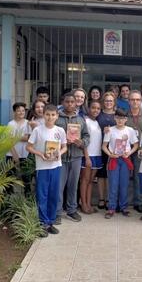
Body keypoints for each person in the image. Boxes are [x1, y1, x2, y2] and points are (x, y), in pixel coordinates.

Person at [26, 104, 67, 236]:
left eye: (53, 115)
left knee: (53, 195)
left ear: (57, 116)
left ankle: (50, 222)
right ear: (43, 115)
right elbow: (28, 147)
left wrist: (60, 153)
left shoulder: (60, 130)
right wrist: (40, 154)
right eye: (47, 114)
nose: (50, 117)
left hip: (56, 166)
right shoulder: (38, 130)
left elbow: (64, 147)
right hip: (42, 168)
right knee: (42, 195)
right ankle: (42, 223)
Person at [55, 93, 90, 223]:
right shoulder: (57, 119)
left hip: (76, 157)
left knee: (73, 185)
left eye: (72, 102)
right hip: (60, 158)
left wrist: (82, 142)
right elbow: (52, 135)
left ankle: (71, 210)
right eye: (67, 102)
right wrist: (62, 142)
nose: (70, 104)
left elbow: (87, 136)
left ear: (76, 104)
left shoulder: (80, 119)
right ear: (63, 103)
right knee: (59, 186)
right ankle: (57, 212)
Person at [102, 108, 138, 219]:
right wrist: (110, 154)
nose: (120, 120)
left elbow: (136, 145)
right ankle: (111, 208)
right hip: (114, 159)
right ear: (114, 118)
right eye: (118, 118)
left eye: (122, 118)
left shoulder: (130, 130)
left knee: (124, 184)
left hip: (125, 160)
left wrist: (129, 153)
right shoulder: (110, 130)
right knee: (113, 184)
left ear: (126, 119)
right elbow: (104, 146)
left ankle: (124, 207)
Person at [79, 100, 103, 214]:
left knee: (90, 181)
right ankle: (83, 204)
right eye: (93, 108)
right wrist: (87, 156)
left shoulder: (97, 122)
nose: (96, 110)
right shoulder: (85, 121)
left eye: (98, 108)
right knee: (84, 180)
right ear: (89, 108)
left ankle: (89, 204)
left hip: (97, 155)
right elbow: (84, 139)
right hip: (88, 155)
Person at [126, 90, 142, 213]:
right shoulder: (124, 114)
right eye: (132, 99)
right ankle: (122, 202)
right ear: (129, 101)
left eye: (138, 99)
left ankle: (138, 202)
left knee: (138, 177)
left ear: (141, 101)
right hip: (125, 151)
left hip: (140, 151)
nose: (135, 102)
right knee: (124, 176)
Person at [96, 92, 116, 209]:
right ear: (103, 102)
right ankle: (101, 198)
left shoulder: (117, 115)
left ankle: (109, 198)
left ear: (114, 102)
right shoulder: (99, 114)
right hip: (100, 147)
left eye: (111, 101)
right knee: (101, 174)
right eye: (106, 100)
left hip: (113, 149)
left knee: (110, 174)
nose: (109, 103)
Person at [6, 102, 32, 194]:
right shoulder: (10, 124)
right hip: (11, 154)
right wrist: (14, 155)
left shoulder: (28, 123)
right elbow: (8, 140)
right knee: (9, 178)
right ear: (14, 112)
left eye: (23, 110)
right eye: (18, 111)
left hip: (25, 154)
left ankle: (27, 197)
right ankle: (8, 198)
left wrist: (15, 137)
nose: (21, 112)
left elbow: (29, 138)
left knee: (26, 178)